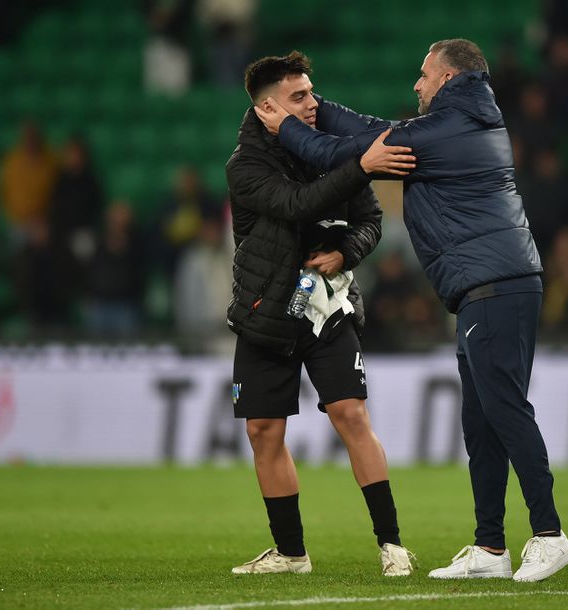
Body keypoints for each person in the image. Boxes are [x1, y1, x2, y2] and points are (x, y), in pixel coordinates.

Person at [255, 39, 568, 582]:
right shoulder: (458, 124)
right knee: (481, 421)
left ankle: (548, 534)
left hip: (497, 285)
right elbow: (371, 130)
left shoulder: (451, 130)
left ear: (448, 79)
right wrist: (311, 105)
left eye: (424, 75)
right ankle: (491, 548)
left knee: (505, 410)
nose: (416, 84)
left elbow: (346, 152)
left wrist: (286, 126)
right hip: (484, 286)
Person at [225, 51, 416, 576]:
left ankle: (392, 545)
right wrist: (360, 166)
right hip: (265, 311)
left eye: (312, 92)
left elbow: (370, 219)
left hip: (326, 306)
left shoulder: (326, 143)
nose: (315, 104)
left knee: (350, 414)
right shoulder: (246, 166)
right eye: (300, 96)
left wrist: (346, 252)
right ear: (268, 107)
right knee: (264, 431)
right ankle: (291, 554)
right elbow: (297, 205)